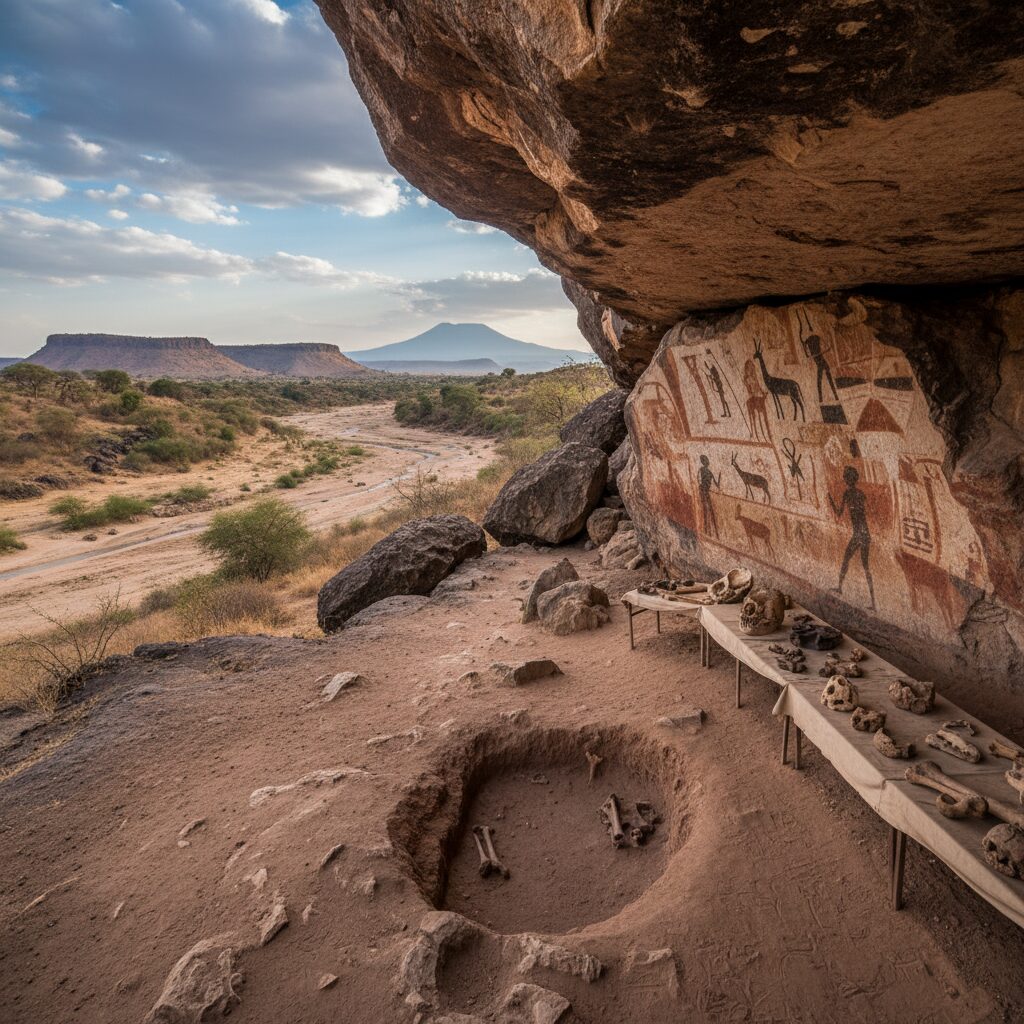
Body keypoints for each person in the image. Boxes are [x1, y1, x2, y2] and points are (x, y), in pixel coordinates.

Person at [828, 465, 875, 609]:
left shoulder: (848, 493)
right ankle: (873, 602)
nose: (843, 479)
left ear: (848, 479)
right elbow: (867, 512)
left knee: (847, 560)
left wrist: (830, 500)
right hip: (865, 534)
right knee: (864, 566)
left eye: (845, 477)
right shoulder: (860, 493)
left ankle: (840, 587)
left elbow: (839, 513)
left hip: (859, 534)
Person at [697, 454, 721, 537]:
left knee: (708, 510)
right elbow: (716, 484)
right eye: (706, 461)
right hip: (704, 492)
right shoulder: (703, 470)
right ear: (704, 462)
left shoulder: (705, 471)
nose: (707, 462)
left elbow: (716, 484)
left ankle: (713, 532)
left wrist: (719, 480)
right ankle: (708, 531)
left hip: (705, 492)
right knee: (707, 510)